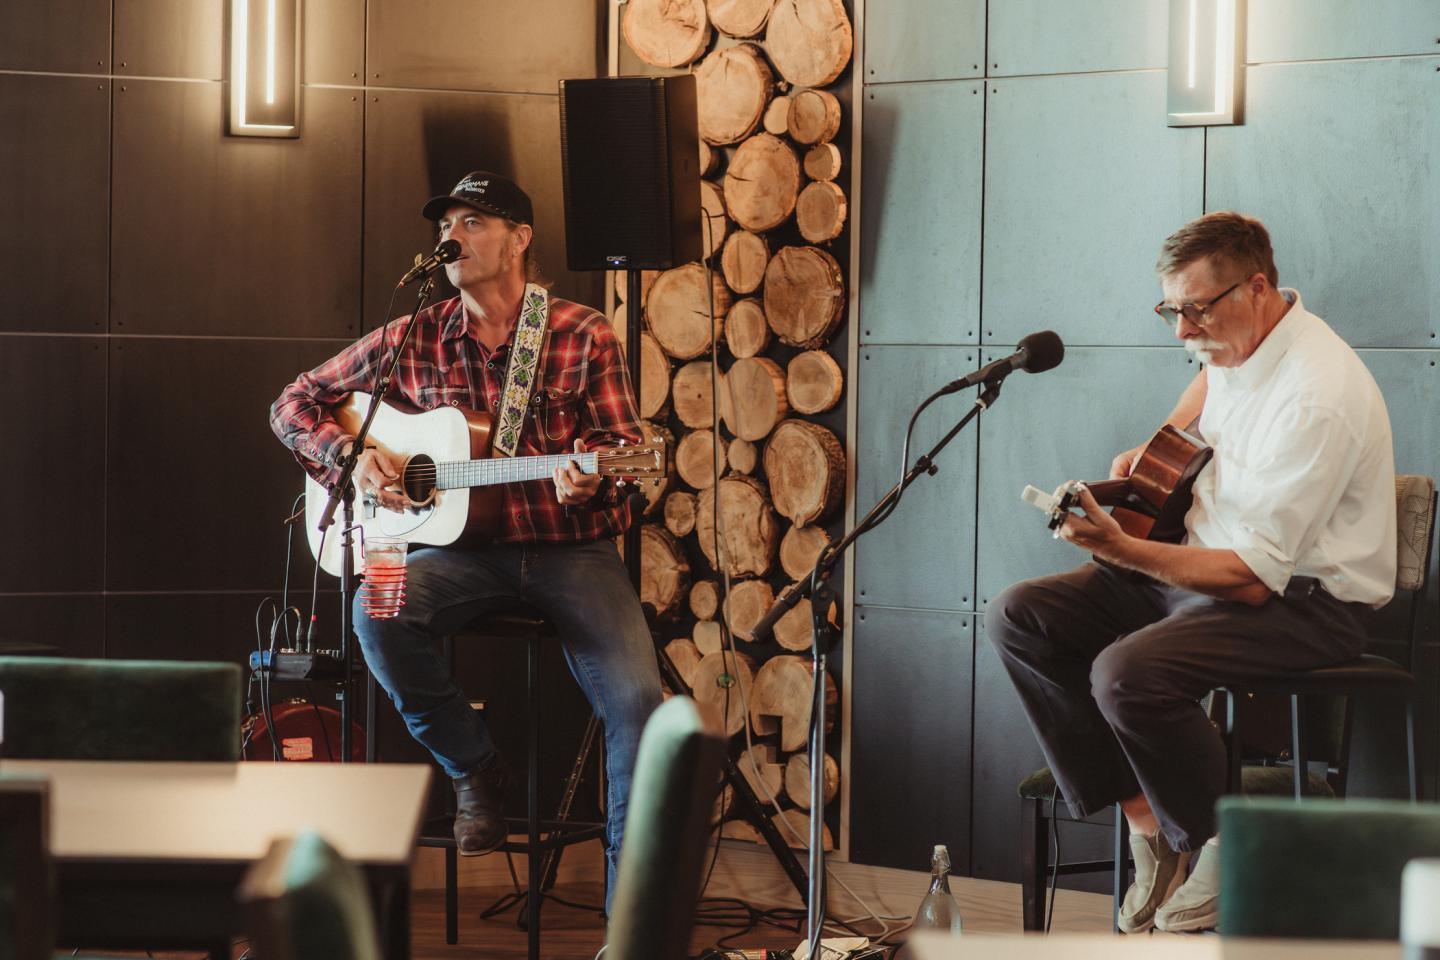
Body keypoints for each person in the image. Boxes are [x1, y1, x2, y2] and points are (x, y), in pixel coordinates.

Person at [988, 212, 1396, 933]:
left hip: (1305, 601)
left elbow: (1249, 578)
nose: (1183, 332)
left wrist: (1119, 548)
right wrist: (1151, 451)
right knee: (1020, 614)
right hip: (1202, 566)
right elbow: (1201, 399)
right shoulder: (1239, 338)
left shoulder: (1317, 395)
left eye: (1196, 310)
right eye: (1171, 311)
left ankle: (1220, 846)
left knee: (1125, 674)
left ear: (1257, 287)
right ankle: (1151, 830)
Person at [270, 170, 663, 910]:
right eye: (447, 224)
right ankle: (474, 767)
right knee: (374, 610)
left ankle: (632, 917)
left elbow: (623, 451)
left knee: (638, 701)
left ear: (521, 239)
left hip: (569, 550)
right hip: (453, 553)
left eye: (475, 221)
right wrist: (353, 460)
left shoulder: (583, 333)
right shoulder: (413, 331)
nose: (453, 237)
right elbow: (292, 402)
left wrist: (597, 478)